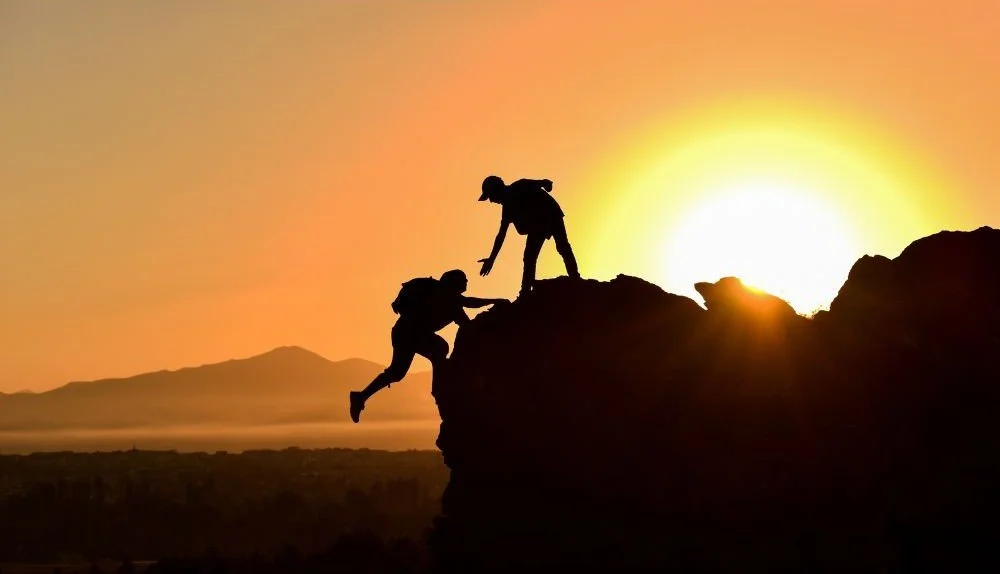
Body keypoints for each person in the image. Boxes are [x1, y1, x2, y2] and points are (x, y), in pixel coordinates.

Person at [349, 269, 506, 423]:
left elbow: (466, 323)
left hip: (403, 332)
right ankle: (438, 390)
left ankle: (361, 396)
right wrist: (495, 301)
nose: (466, 282)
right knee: (438, 350)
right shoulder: (444, 294)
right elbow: (469, 303)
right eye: (463, 279)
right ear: (453, 283)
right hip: (408, 333)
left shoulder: (453, 305)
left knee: (399, 371)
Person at [477, 175, 581, 298]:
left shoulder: (519, 186)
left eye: (490, 196)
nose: (491, 201)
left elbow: (543, 182)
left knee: (562, 246)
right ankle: (526, 290)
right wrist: (491, 259)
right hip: (537, 226)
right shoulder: (507, 210)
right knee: (529, 257)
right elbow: (501, 235)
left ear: (496, 190)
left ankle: (575, 278)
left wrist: (547, 184)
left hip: (551, 214)